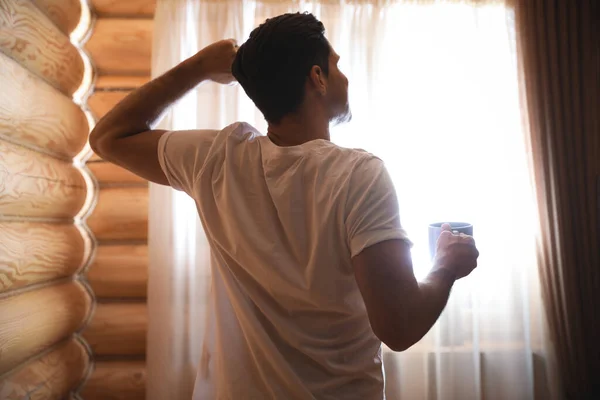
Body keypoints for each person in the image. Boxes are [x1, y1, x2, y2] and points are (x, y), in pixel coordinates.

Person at [90, 12, 479, 400]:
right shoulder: (360, 175)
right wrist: (446, 265)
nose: (344, 77)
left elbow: (108, 137)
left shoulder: (215, 158)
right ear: (317, 77)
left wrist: (199, 68)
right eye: (336, 67)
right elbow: (400, 327)